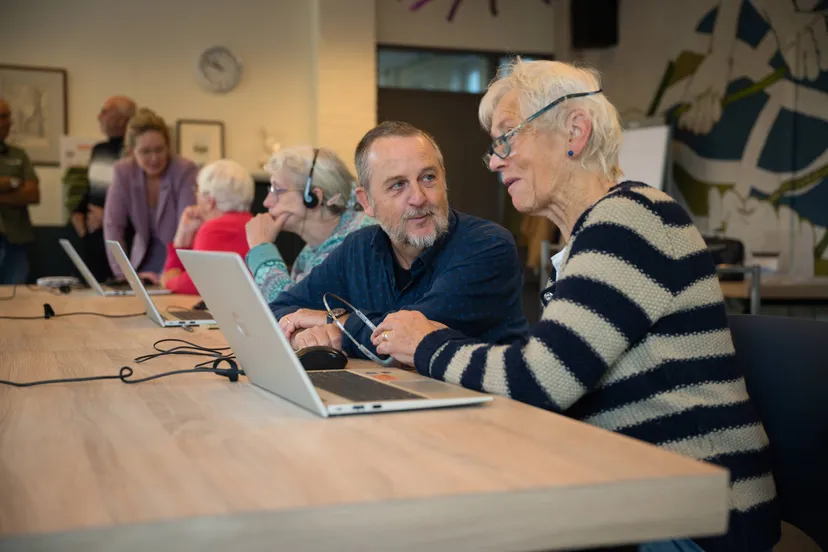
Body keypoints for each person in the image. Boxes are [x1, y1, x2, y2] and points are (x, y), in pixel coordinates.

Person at [370, 61, 780, 552]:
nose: (496, 161)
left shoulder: (629, 220)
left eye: (507, 138)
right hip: (637, 495)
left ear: (575, 132)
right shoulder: (590, 238)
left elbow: (541, 380)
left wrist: (426, 344)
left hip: (698, 518)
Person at [270, 121, 529, 360]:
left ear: (444, 181)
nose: (418, 198)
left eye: (428, 178)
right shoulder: (358, 248)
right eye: (397, 185)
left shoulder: (488, 246)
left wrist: (333, 322)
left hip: (478, 395)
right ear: (366, 202)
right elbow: (279, 309)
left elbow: (406, 339)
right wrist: (301, 335)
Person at [245, 146, 375, 303]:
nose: (267, 202)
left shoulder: (353, 241)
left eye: (277, 190)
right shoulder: (313, 249)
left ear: (313, 196)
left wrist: (261, 248)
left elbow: (291, 306)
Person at [103, 108, 197, 283]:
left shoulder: (184, 170)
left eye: (159, 150)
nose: (154, 158)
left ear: (168, 147)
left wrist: (167, 275)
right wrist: (125, 277)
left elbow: (187, 228)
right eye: (145, 152)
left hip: (177, 262)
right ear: (131, 151)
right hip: (142, 262)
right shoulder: (123, 172)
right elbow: (113, 227)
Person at [161, 159, 255, 294]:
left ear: (209, 201)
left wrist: (179, 243)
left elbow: (193, 283)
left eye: (197, 191)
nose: (195, 197)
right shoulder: (253, 223)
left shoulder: (213, 229)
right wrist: (184, 237)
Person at [71, 96, 136, 282]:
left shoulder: (135, 152)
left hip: (121, 236)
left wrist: (108, 216)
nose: (99, 116)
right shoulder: (99, 149)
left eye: (105, 111)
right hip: (92, 236)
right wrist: (77, 212)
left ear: (122, 119)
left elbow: (138, 198)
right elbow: (93, 188)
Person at [0, 98, 40, 284]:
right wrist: (12, 183)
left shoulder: (18, 154)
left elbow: (33, 194)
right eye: (2, 117)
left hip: (15, 241)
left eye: (8, 116)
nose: (9, 122)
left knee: (18, 297)